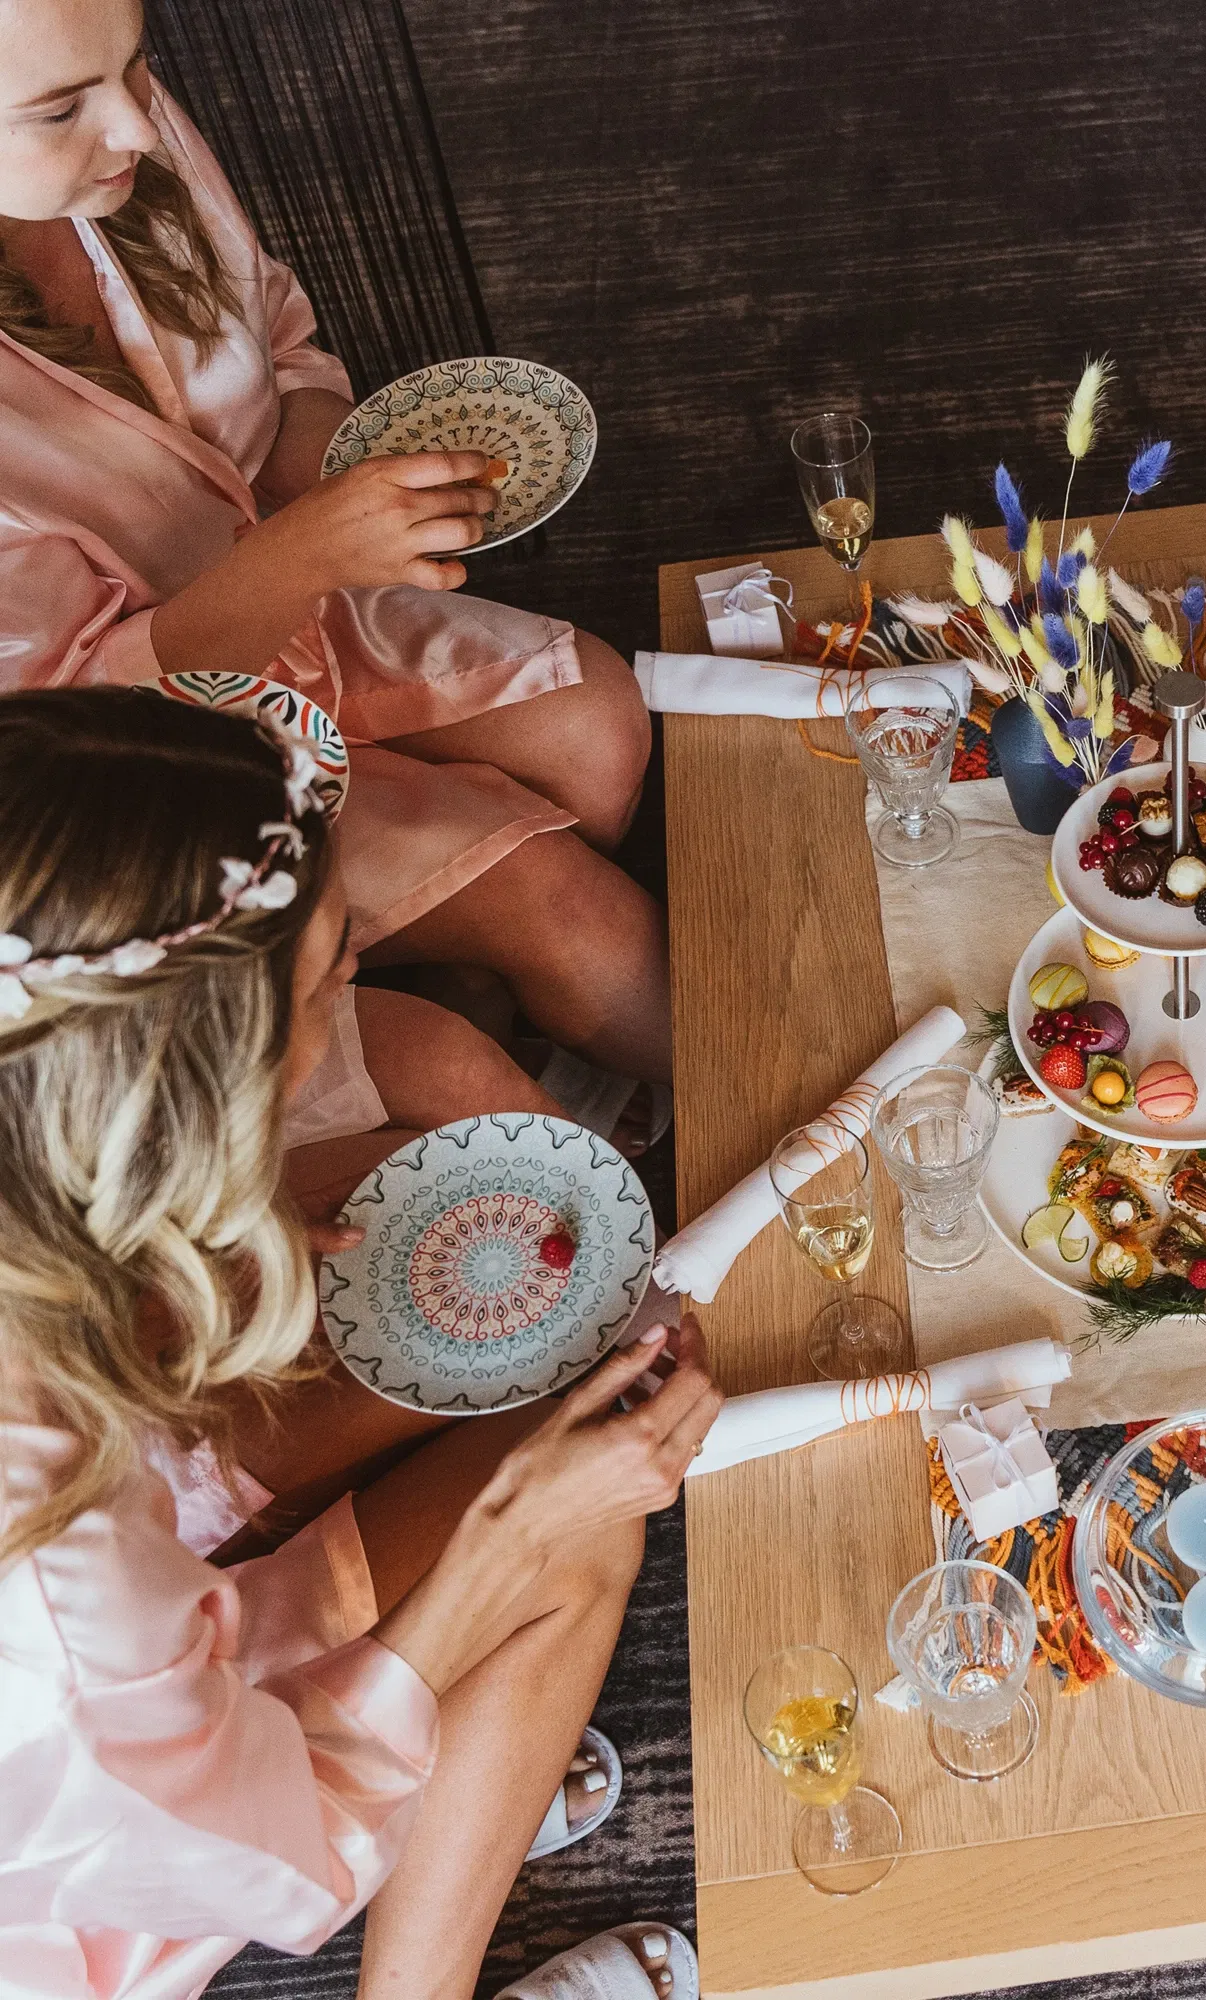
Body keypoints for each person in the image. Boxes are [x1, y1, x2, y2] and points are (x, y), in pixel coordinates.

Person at [0, 688, 721, 1999]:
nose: (362, 968)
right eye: (339, 965)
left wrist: (216, 1255)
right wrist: (494, 1551)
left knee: (471, 1355)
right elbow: (284, 1864)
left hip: (125, 1636)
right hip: (129, 1855)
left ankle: (461, 1778)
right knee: (570, 1523)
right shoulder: (65, 1592)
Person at [0, 0, 671, 1154]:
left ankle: (481, 1006)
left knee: (596, 719)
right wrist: (309, 550)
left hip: (292, 606)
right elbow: (61, 729)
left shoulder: (119, 134)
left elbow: (281, 330)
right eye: (61, 107)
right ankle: (813, 1147)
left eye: (139, 62)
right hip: (138, 789)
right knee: (572, 917)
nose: (142, 129)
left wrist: (356, 480)